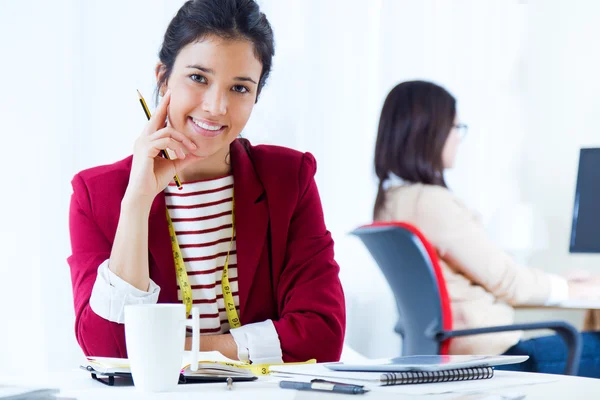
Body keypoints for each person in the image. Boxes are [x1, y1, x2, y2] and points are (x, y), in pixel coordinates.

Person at [67, 0, 345, 364]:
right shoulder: (97, 194)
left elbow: (322, 335)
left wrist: (176, 351)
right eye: (198, 78)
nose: (216, 106)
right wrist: (136, 202)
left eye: (240, 88)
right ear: (163, 78)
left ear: (257, 95)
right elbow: (105, 350)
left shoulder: (289, 179)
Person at [372, 80, 600, 377]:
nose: (458, 137)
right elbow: (508, 282)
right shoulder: (432, 203)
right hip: (493, 357)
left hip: (456, 353)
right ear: (430, 132)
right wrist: (572, 289)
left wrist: (562, 282)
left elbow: (482, 277)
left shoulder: (391, 202)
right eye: (456, 127)